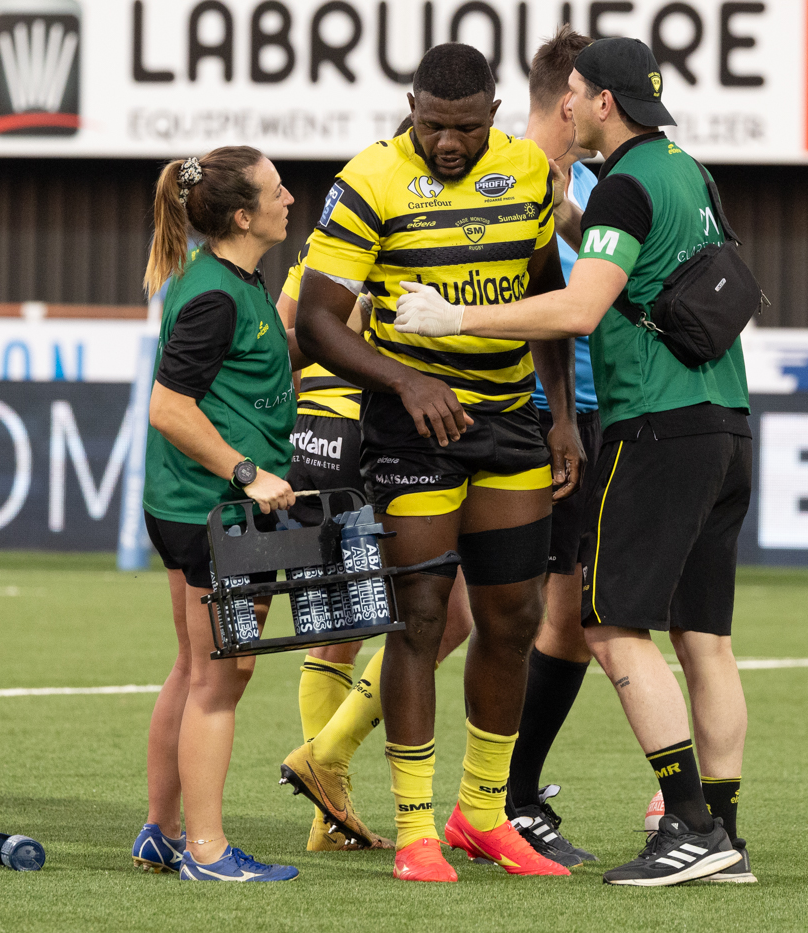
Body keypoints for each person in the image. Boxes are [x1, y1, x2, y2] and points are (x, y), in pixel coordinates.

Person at [393, 37, 753, 886]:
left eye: (579, 94)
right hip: (727, 423)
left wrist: (453, 320)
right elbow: (648, 266)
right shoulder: (686, 170)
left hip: (657, 427)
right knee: (705, 638)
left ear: (601, 102)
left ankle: (690, 825)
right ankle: (725, 831)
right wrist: (558, 226)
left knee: (610, 627)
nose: (568, 107)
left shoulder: (624, 183)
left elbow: (586, 306)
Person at [288, 42, 581, 883]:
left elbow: (545, 297)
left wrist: (559, 416)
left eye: (462, 128)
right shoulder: (370, 179)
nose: (446, 144)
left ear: (492, 112)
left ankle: (482, 815)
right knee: (417, 616)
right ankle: (415, 830)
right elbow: (318, 320)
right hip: (411, 429)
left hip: (508, 425)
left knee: (514, 618)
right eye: (430, 126)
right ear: (409, 106)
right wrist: (405, 378)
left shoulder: (529, 172)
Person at [277, 116, 474, 855]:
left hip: (311, 441)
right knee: (444, 616)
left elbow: (281, 342)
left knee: (340, 631)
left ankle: (328, 813)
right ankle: (325, 759)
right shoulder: (405, 247)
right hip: (363, 444)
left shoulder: (321, 253)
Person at [131, 146, 302, 882]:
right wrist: (249, 473)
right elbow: (168, 407)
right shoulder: (215, 293)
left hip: (190, 508)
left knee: (192, 670)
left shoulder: (230, 280)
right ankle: (205, 850)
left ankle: (162, 831)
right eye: (276, 189)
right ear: (243, 215)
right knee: (217, 681)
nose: (290, 197)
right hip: (216, 514)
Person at [503, 24, 602, 869]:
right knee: (475, 613)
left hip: (588, 415)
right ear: (569, 98)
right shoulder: (501, 176)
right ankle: (501, 796)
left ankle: (514, 790)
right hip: (517, 413)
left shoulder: (605, 184)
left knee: (564, 620)